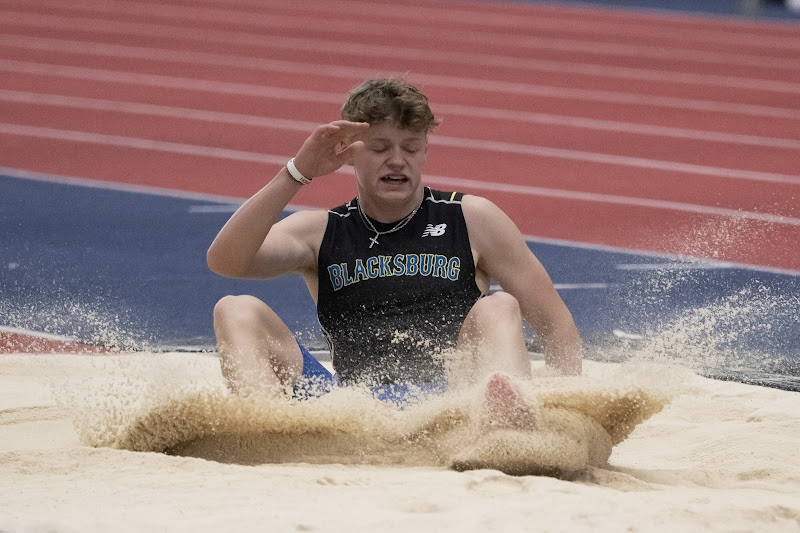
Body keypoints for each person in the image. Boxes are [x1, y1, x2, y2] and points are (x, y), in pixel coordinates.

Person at [206, 78, 581, 408]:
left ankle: (510, 431)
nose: (397, 161)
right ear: (348, 151)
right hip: (353, 410)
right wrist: (297, 174)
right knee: (235, 309)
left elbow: (556, 325)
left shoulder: (472, 218)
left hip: (453, 404)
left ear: (426, 152)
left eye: (411, 148)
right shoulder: (320, 231)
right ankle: (260, 431)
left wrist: (569, 409)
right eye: (380, 148)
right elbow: (226, 261)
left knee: (498, 307)